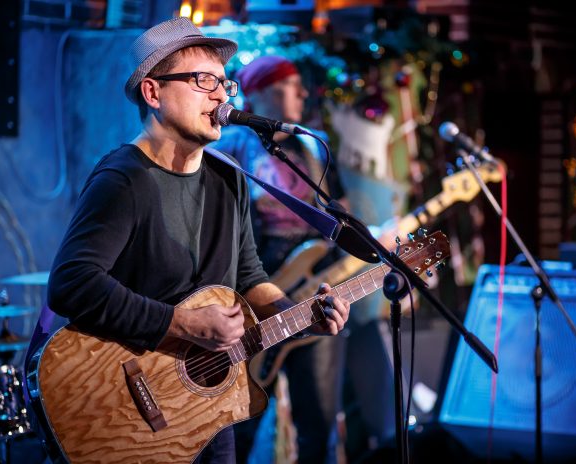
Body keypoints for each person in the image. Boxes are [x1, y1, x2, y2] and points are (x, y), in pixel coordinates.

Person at [45, 18, 349, 464]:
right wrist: (182, 325)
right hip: (128, 404)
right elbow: (71, 284)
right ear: (154, 93)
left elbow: (249, 276)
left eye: (224, 83)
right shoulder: (124, 179)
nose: (222, 95)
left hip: (206, 407)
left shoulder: (229, 177)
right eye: (203, 81)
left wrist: (300, 316)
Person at [211, 56, 349, 463]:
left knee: (318, 423)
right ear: (258, 94)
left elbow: (338, 214)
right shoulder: (230, 148)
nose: (303, 92)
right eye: (289, 85)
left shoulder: (313, 145)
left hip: (311, 295)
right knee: (242, 426)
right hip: (254, 300)